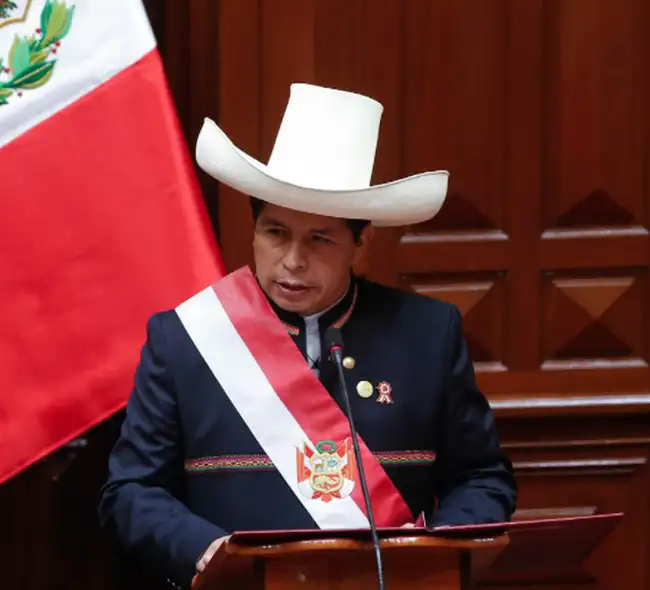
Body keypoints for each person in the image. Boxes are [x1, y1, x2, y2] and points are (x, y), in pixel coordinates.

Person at [97, 84, 517, 589]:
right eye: (276, 233)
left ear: (361, 243)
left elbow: (480, 478)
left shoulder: (427, 333)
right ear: (253, 230)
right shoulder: (185, 339)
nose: (293, 261)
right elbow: (132, 491)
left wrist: (433, 555)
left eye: (319, 239)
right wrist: (206, 552)